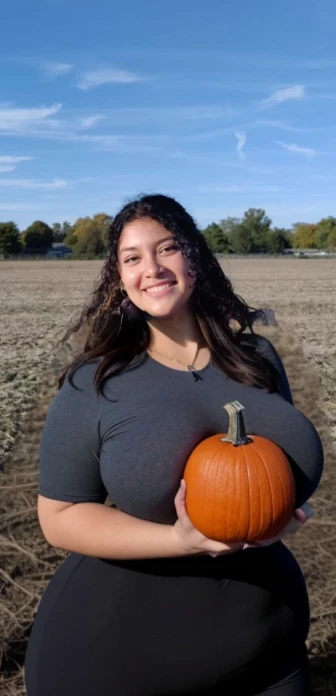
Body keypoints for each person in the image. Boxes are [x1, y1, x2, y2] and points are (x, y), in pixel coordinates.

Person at [24, 193, 324, 696]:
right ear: (119, 277)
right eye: (133, 257)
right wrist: (182, 540)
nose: (153, 268)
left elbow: (267, 468)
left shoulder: (257, 357)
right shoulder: (96, 383)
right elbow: (59, 516)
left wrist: (276, 513)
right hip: (122, 661)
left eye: (167, 249)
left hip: (271, 648)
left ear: (196, 258)